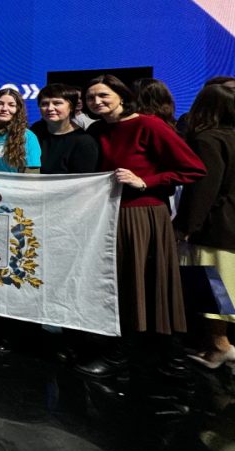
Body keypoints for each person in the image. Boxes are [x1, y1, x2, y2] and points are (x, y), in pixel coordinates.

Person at [77, 74, 206, 378]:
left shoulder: (148, 125)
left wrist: (146, 181)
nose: (97, 101)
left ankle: (159, 359)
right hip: (108, 215)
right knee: (118, 285)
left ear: (121, 96)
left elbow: (193, 168)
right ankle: (130, 354)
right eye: (91, 97)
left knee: (146, 283)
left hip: (142, 215)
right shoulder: (97, 130)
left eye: (103, 95)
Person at [174, 84, 235, 369]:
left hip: (215, 228)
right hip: (228, 226)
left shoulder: (208, 140)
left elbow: (203, 191)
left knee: (212, 289)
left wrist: (185, 226)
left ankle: (219, 346)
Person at [32, 83, 99, 174]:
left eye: (57, 103)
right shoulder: (35, 132)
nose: (50, 108)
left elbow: (82, 180)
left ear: (71, 107)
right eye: (44, 104)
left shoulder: (84, 142)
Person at [0, 89, 40, 173]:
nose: (4, 108)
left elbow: (32, 175)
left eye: (11, 105)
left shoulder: (28, 136)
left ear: (18, 110)